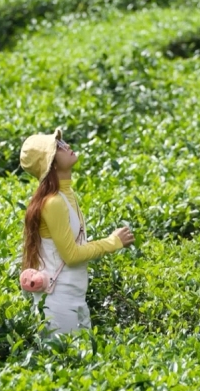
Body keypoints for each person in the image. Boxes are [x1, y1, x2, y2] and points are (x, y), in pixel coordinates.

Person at [20, 127, 135, 334]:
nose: (67, 146)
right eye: (59, 146)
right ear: (51, 163)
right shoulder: (53, 202)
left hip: (73, 297)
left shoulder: (66, 194)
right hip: (58, 301)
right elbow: (72, 256)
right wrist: (113, 242)